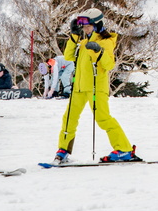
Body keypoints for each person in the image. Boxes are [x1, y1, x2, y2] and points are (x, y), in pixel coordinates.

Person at [52, 9, 139, 164]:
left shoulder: (105, 41)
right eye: (83, 26)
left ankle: (124, 149)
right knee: (69, 119)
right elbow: (68, 56)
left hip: (95, 87)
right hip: (79, 87)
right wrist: (73, 36)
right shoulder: (83, 42)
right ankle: (63, 150)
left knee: (103, 118)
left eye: (88, 26)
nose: (85, 29)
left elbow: (109, 65)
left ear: (97, 25)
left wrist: (98, 52)